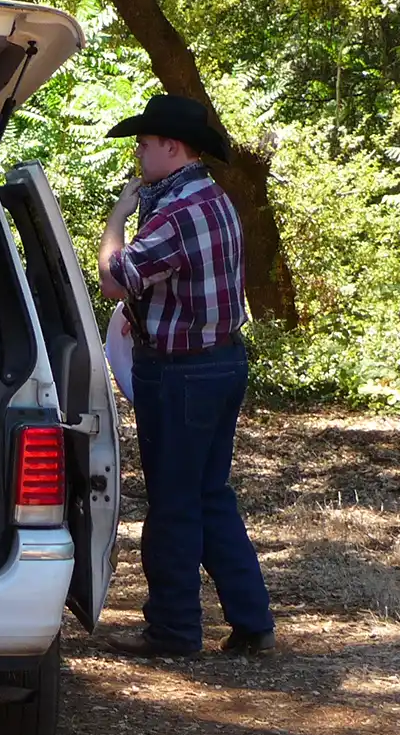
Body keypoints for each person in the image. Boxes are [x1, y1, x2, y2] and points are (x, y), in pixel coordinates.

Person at [94, 94, 276, 659]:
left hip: (180, 373)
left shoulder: (175, 214)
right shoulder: (213, 199)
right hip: (220, 361)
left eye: (145, 144)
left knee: (174, 502)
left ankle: (173, 630)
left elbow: (115, 280)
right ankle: (251, 621)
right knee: (209, 494)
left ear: (172, 147)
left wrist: (116, 220)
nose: (139, 154)